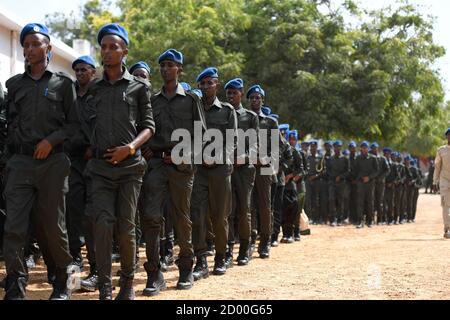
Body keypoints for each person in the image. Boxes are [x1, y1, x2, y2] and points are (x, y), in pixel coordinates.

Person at [3, 23, 79, 300]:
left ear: (49, 47)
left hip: (53, 164)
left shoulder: (63, 84)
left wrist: (52, 140)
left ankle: (62, 280)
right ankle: (15, 284)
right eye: (26, 45)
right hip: (20, 163)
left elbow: (75, 127)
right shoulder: (14, 85)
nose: (30, 49)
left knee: (52, 227)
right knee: (14, 227)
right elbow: (9, 124)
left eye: (36, 44)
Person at [86, 23, 154, 300]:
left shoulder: (139, 87)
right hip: (101, 169)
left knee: (126, 229)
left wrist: (130, 147)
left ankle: (127, 283)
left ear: (124, 51)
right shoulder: (93, 89)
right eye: (103, 47)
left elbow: (149, 126)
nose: (108, 51)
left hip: (130, 169)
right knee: (102, 225)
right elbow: (85, 123)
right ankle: (104, 285)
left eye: (113, 47)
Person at [140, 49, 206, 296]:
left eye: (171, 65)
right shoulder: (152, 101)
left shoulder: (190, 100)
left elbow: (201, 136)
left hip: (181, 166)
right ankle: (154, 273)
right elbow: (144, 127)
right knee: (151, 217)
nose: (166, 69)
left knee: (181, 218)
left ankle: (186, 267)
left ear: (179, 69)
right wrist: (146, 148)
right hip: (156, 165)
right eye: (163, 65)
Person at [191, 67, 237, 280]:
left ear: (217, 84)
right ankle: (201, 260)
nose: (206, 87)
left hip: (220, 170)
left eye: (210, 83)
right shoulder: (194, 108)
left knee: (220, 217)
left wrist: (214, 157)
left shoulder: (227, 110)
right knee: (198, 216)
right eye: (203, 84)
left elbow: (231, 142)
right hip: (199, 170)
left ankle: (220, 257)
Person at [67, 55, 99, 291]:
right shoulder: (68, 96)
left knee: (93, 219)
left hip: (96, 162)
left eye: (84, 69)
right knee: (73, 217)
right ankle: (73, 272)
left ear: (93, 72)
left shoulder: (99, 95)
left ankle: (97, 270)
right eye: (77, 70)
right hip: (72, 162)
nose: (80, 73)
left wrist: (93, 147)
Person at [224, 77, 258, 266]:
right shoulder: (223, 113)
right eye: (228, 93)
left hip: (244, 170)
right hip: (226, 167)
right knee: (227, 211)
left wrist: (242, 158)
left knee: (244, 210)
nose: (231, 96)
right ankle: (228, 249)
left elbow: (255, 146)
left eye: (234, 93)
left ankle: (245, 249)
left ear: (241, 94)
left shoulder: (250, 117)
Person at [248, 85, 278, 259]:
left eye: (258, 97)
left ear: (263, 100)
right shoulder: (243, 118)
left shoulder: (270, 122)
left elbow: (276, 148)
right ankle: (251, 240)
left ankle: (265, 242)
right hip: (247, 166)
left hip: (265, 168)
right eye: (252, 97)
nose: (255, 100)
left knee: (265, 207)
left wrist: (267, 161)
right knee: (248, 206)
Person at [353, 141, 379, 228]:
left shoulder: (373, 158)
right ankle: (360, 221)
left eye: (366, 148)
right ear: (361, 149)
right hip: (361, 183)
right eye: (363, 148)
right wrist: (359, 178)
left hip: (370, 183)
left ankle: (370, 220)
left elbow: (377, 171)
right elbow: (354, 170)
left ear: (368, 149)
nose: (364, 149)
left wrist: (369, 177)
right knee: (360, 202)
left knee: (370, 202)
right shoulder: (358, 158)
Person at [327, 140, 350, 226]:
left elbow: (348, 171)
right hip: (332, 183)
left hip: (341, 183)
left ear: (341, 148)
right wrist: (333, 177)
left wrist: (340, 177)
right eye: (336, 147)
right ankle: (332, 220)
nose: (337, 148)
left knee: (341, 201)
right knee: (332, 200)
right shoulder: (330, 159)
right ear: (334, 148)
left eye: (339, 147)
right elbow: (328, 171)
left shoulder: (345, 159)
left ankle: (339, 220)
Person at [432, 127, 450, 239]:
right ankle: (447, 228)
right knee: (446, 206)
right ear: (446, 137)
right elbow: (437, 167)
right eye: (449, 135)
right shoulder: (441, 150)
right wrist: (435, 181)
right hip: (445, 181)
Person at [370, 142, 390, 225]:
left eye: (376, 148)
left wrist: (381, 177)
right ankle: (370, 219)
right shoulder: (369, 158)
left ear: (378, 149)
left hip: (380, 183)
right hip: (371, 182)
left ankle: (379, 220)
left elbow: (387, 170)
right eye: (373, 148)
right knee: (371, 201)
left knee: (380, 202)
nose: (375, 149)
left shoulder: (382, 158)